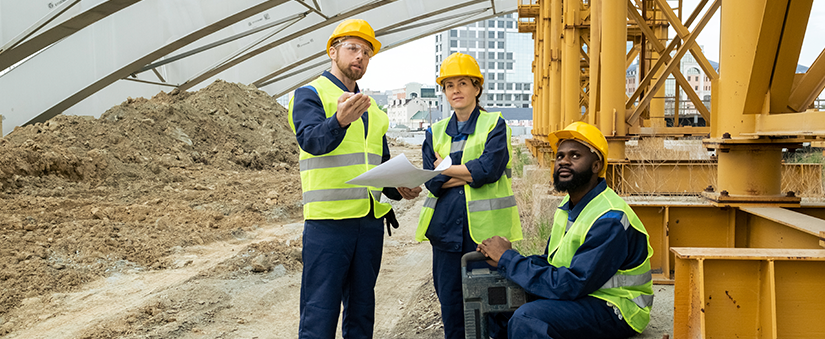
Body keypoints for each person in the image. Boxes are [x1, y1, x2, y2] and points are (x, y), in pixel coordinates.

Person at [288, 19, 422, 339]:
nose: (359, 57)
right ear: (333, 52)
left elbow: (380, 164)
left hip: (369, 223)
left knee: (362, 310)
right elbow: (312, 142)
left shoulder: (373, 111)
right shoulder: (310, 95)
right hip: (329, 224)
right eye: (352, 48)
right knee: (320, 311)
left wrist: (399, 186)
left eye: (366, 52)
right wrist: (339, 121)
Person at [476, 121, 654, 339]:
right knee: (498, 301)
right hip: (585, 293)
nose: (564, 162)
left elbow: (572, 283)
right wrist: (505, 261)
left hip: (618, 307)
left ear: (596, 165)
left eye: (575, 156)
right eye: (559, 156)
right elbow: (553, 264)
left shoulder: (610, 217)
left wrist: (509, 260)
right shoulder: (569, 207)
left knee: (528, 319)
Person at [416, 52, 523, 339]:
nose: (456, 90)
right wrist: (466, 174)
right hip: (446, 233)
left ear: (477, 88)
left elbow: (489, 169)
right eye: (449, 85)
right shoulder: (434, 132)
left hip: (487, 235)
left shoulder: (494, 125)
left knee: (494, 304)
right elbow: (432, 182)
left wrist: (446, 169)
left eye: (463, 83)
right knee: (452, 306)